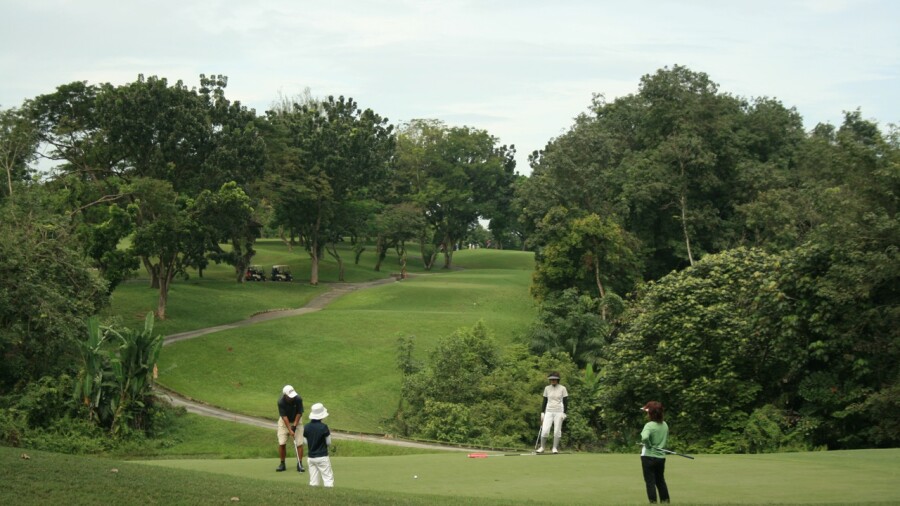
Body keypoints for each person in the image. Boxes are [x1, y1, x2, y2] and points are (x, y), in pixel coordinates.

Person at [640, 400, 670, 503]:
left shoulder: (649, 425)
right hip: (661, 457)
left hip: (648, 456)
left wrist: (648, 445)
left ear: (650, 413)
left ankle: (653, 502)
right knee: (660, 480)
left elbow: (644, 438)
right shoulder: (665, 425)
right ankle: (665, 502)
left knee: (650, 482)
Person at [303, 402, 334, 487]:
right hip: (322, 456)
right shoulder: (324, 427)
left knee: (313, 481)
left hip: (311, 457)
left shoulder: (306, 427)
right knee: (328, 479)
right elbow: (328, 442)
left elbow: (305, 442)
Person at [537, 371, 568, 454]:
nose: (553, 381)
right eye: (551, 380)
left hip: (559, 411)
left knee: (557, 430)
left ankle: (554, 448)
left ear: (558, 380)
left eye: (554, 379)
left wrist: (564, 413)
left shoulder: (563, 388)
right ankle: (542, 447)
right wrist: (542, 412)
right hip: (549, 411)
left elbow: (565, 402)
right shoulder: (547, 388)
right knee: (545, 429)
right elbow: (544, 400)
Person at [276, 384, 304, 472]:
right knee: (282, 443)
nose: (292, 398)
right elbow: (284, 417)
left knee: (299, 443)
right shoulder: (281, 402)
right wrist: (290, 429)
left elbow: (299, 413)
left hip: (297, 420)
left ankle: (299, 464)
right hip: (284, 422)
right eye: (289, 396)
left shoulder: (298, 399)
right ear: (285, 395)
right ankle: (282, 463)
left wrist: (294, 426)